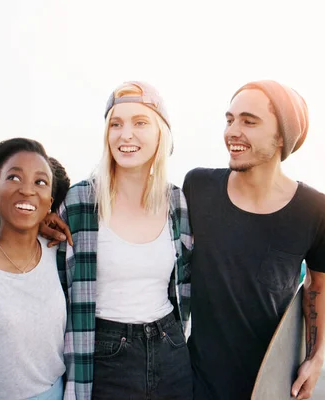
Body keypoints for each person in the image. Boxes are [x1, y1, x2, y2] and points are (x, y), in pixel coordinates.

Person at [183, 80, 325, 400]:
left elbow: (318, 286)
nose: (232, 131)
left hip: (271, 384)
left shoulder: (318, 211)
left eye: (249, 121)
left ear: (282, 135)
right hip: (196, 381)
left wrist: (315, 358)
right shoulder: (198, 187)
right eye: (229, 120)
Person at [44, 81, 193, 399]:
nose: (126, 134)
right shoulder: (81, 201)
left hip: (171, 349)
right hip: (105, 356)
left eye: (140, 122)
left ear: (160, 133)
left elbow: (186, 282)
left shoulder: (176, 201)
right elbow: (53, 282)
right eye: (116, 124)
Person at [0, 138, 70, 399]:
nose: (27, 190)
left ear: (50, 201)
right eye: (14, 178)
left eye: (40, 182)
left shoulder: (58, 249)